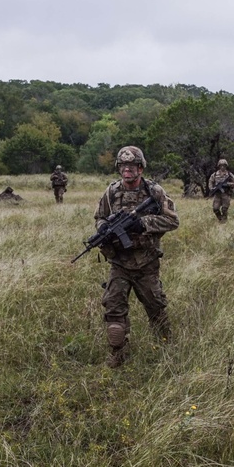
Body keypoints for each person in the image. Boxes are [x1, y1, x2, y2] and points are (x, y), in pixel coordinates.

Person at [94, 146, 180, 368]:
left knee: (155, 308)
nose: (127, 170)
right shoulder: (111, 192)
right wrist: (104, 229)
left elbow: (173, 221)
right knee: (113, 309)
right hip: (119, 263)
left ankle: (167, 347)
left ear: (140, 168)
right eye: (123, 166)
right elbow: (100, 216)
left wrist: (144, 223)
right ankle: (118, 354)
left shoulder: (155, 192)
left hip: (146, 263)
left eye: (132, 166)